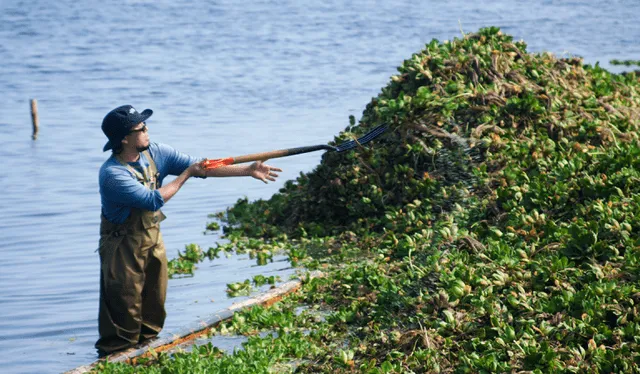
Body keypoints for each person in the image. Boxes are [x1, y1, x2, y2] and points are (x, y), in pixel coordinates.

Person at [96, 105, 282, 355]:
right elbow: (153, 200)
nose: (147, 130)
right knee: (123, 313)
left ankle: (147, 353)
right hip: (122, 247)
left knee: (154, 308)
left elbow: (200, 165)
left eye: (146, 125)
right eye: (141, 128)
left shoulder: (156, 152)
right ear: (124, 138)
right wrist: (185, 175)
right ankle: (114, 357)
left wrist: (246, 171)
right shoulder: (112, 174)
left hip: (152, 238)